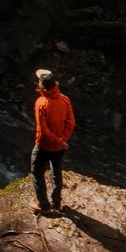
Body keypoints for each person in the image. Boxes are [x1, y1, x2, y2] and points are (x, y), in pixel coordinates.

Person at [30, 67, 75, 215]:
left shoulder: (41, 102)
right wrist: (63, 140)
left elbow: (43, 130)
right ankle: (56, 203)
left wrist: (58, 141)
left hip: (43, 145)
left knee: (37, 172)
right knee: (56, 173)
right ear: (55, 84)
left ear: (42, 86)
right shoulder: (65, 99)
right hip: (60, 147)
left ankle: (44, 205)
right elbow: (71, 123)